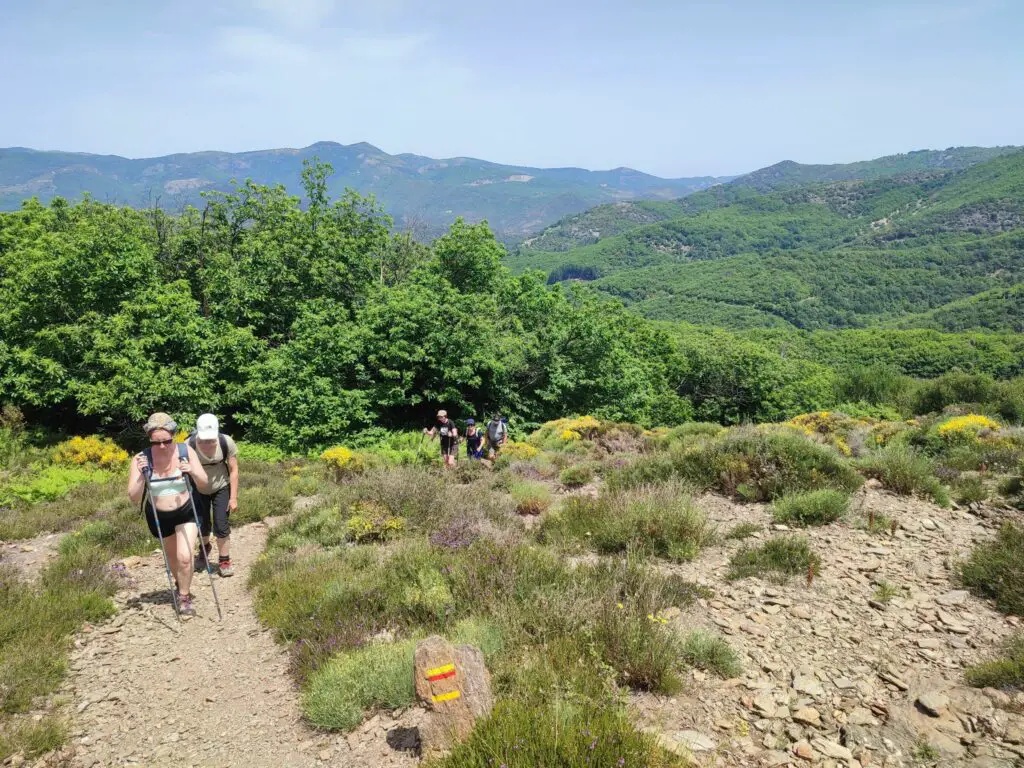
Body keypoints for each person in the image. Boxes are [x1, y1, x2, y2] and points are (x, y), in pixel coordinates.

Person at [127, 412, 209, 617]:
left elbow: (204, 482)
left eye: (166, 441)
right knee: (172, 558)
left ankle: (184, 596)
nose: (162, 446)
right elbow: (134, 497)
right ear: (150, 439)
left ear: (173, 435)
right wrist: (141, 476)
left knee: (184, 557)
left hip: (186, 509)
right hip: (159, 515)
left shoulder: (185, 451)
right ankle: (180, 581)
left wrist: (192, 470)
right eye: (156, 443)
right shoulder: (141, 458)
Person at [188, 413, 239, 577]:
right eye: (204, 440)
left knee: (221, 523)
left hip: (221, 487)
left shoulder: (226, 442)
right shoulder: (188, 444)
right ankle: (204, 549)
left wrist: (233, 498)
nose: (207, 443)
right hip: (197, 488)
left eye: (211, 439)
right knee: (200, 524)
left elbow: (233, 470)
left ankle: (224, 560)